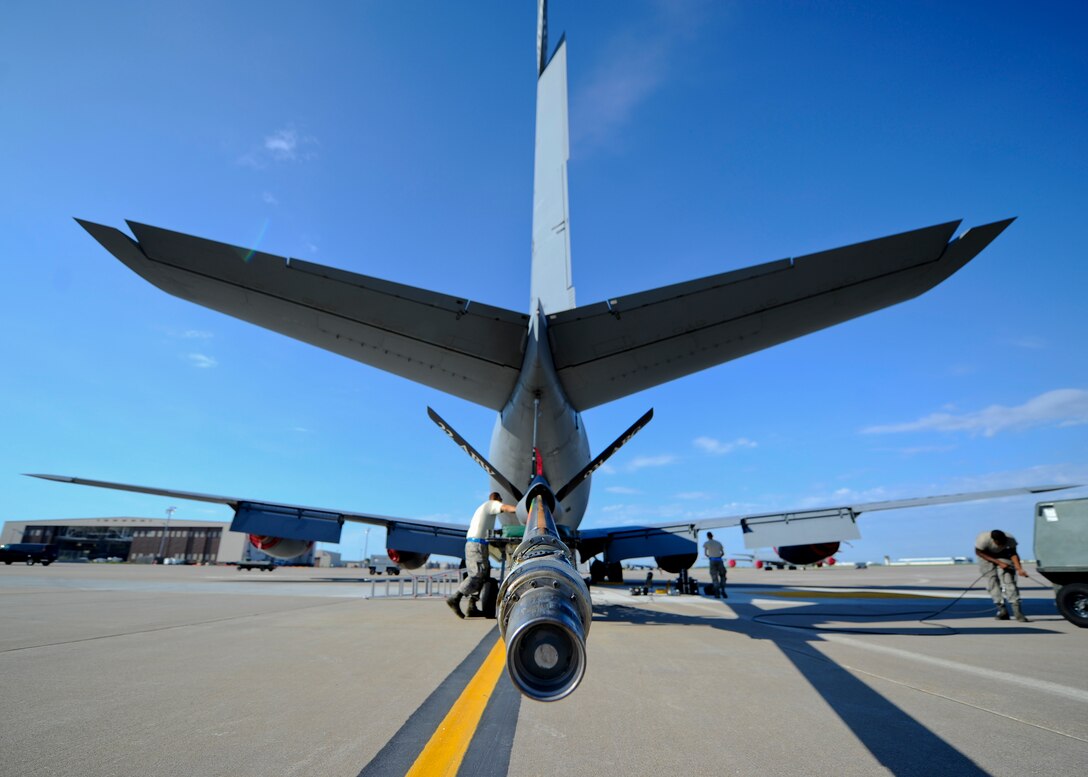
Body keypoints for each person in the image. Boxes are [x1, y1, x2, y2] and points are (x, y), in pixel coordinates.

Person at [446, 492, 517, 618]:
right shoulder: (491, 504)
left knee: (484, 574)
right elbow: (506, 508)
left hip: (478, 544)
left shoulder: (484, 509)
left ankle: (472, 606)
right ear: (497, 499)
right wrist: (522, 510)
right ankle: (455, 598)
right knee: (476, 574)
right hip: (476, 545)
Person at [975, 529, 1030, 622]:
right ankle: (1002, 610)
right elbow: (979, 552)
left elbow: (1013, 553)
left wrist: (1019, 568)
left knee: (1009, 581)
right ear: (993, 540)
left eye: (1003, 541)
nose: (1002, 543)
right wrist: (998, 562)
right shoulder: (983, 539)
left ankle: (1018, 612)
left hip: (1004, 555)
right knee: (992, 582)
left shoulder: (1010, 539)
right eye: (999, 542)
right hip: (985, 556)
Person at [703, 531, 728, 599]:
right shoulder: (718, 543)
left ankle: (717, 593)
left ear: (708, 536)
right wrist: (718, 556)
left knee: (715, 578)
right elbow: (722, 553)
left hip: (712, 560)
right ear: (712, 536)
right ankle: (723, 591)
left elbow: (705, 554)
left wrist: (710, 557)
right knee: (723, 576)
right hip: (719, 560)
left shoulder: (706, 543)